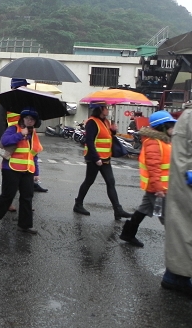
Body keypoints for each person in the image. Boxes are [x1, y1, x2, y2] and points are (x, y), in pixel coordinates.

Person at [119, 110, 175, 247]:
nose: (173, 128)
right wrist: (159, 188)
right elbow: (153, 167)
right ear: (163, 126)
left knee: (143, 210)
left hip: (158, 187)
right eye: (171, 125)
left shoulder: (163, 141)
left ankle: (128, 234)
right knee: (168, 218)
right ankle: (177, 247)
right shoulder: (154, 143)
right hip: (159, 188)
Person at [73, 101, 132, 220]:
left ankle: (117, 210)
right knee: (89, 181)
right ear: (100, 109)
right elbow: (89, 141)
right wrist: (96, 158)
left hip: (105, 158)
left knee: (111, 182)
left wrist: (113, 131)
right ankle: (78, 204)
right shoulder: (92, 122)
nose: (108, 109)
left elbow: (108, 137)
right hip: (94, 158)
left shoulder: (105, 121)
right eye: (105, 107)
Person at [0, 107, 41, 234]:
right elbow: (5, 141)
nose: (30, 121)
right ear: (22, 118)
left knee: (27, 197)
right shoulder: (14, 128)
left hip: (27, 169)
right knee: (8, 195)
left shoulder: (33, 134)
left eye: (32, 119)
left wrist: (36, 172)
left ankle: (25, 225)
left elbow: (34, 153)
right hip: (11, 168)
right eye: (27, 118)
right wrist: (20, 134)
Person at [161, 101, 192, 295]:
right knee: (183, 229)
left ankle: (174, 276)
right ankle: (175, 277)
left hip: (182, 184)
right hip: (185, 185)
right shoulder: (188, 119)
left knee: (182, 229)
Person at [0, 78, 48, 193]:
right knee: (8, 168)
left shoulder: (28, 100)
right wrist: (4, 143)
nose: (26, 87)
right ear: (17, 87)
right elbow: (1, 123)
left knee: (30, 161)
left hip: (29, 138)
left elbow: (38, 123)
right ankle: (7, 199)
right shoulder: (5, 102)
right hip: (12, 138)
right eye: (24, 85)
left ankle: (31, 187)